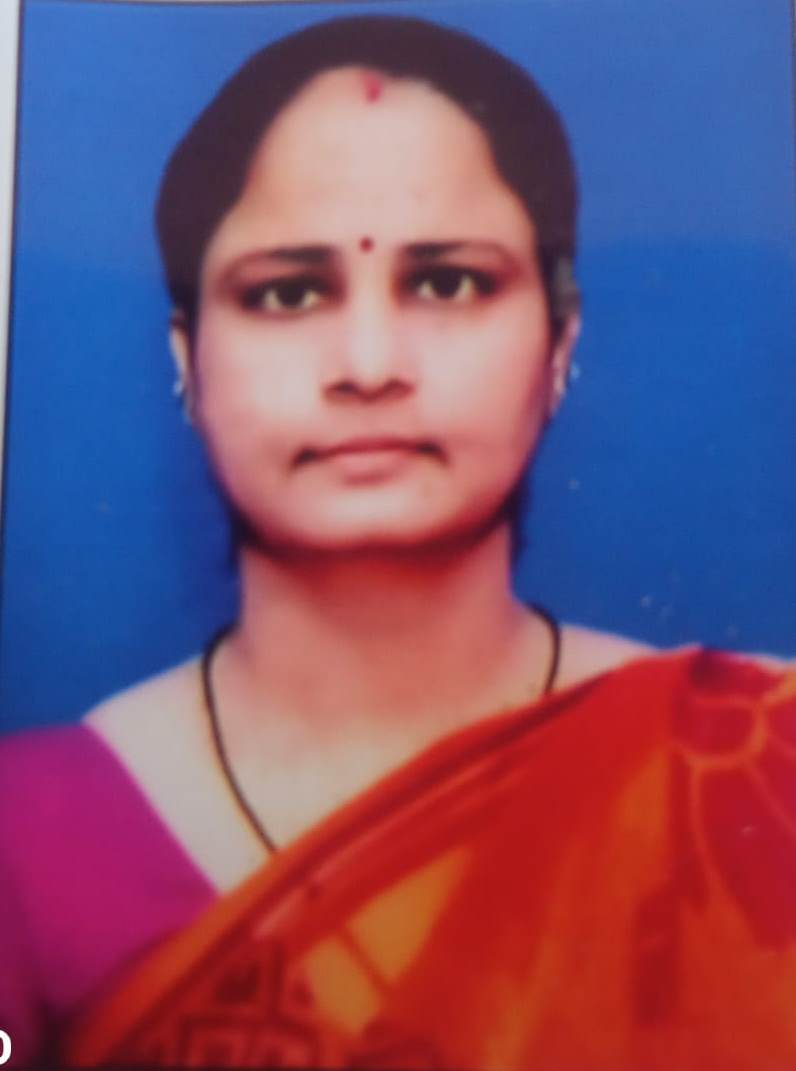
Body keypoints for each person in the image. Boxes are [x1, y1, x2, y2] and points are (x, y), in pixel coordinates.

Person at [1, 14, 794, 1070]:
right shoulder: (27, 837)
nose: (369, 365)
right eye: (288, 292)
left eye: (448, 281)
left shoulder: (750, 776)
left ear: (560, 343)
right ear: (187, 360)